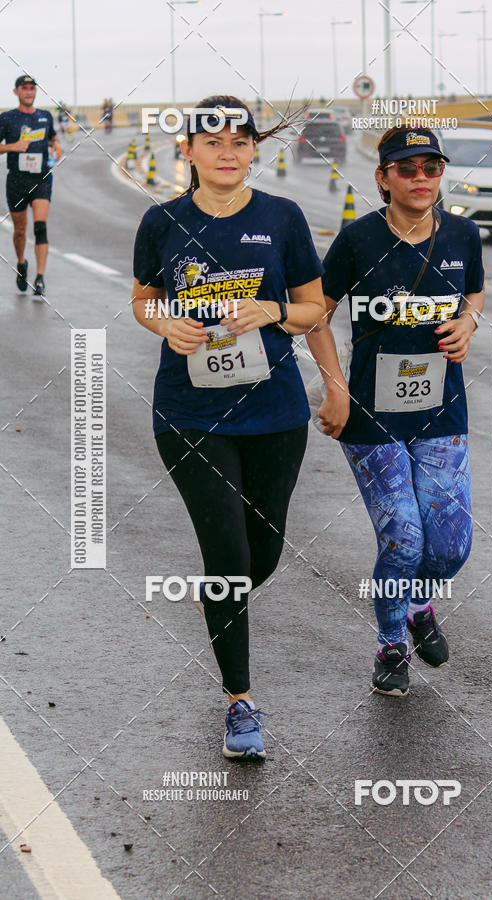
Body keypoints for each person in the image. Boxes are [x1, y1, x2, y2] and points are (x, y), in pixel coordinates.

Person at [131, 95, 326, 758]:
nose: (227, 152)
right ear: (188, 150)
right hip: (189, 416)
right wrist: (164, 322)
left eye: (240, 141)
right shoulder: (163, 222)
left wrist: (271, 309)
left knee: (262, 554)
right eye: (212, 142)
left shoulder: (282, 218)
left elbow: (313, 309)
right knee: (230, 559)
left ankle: (220, 599)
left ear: (252, 150)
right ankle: (240, 704)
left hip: (276, 413)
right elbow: (144, 297)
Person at [306, 125, 485, 697]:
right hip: (370, 414)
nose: (421, 178)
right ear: (382, 177)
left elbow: (475, 293)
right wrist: (334, 388)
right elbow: (316, 313)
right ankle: (389, 644)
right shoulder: (357, 240)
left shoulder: (463, 235)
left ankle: (415, 604)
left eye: (431, 167)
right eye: (407, 168)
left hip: (441, 411)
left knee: (451, 546)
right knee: (404, 538)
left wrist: (469, 321)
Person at [0, 75, 63, 297]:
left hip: (41, 178)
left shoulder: (44, 116)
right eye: (24, 88)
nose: (29, 92)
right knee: (20, 230)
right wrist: (12, 146)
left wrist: (56, 146)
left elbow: (52, 139)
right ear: (16, 91)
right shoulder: (7, 118)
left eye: (32, 88)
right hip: (17, 180)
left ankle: (40, 278)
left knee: (40, 227)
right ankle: (21, 263)